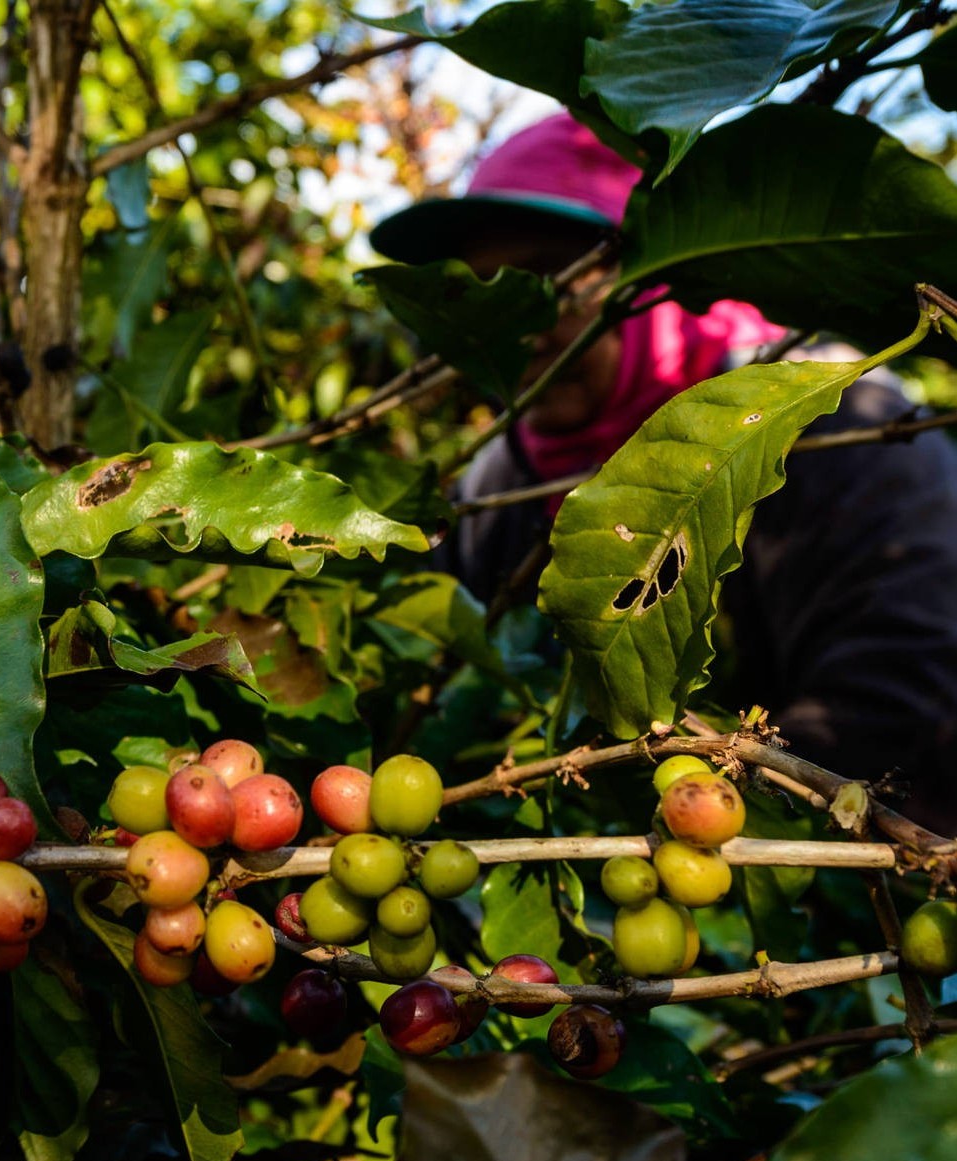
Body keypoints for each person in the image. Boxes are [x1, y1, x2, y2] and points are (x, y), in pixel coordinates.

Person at [370, 112, 957, 834]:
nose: (517, 324)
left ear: (650, 281)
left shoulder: (840, 432)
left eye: (549, 279)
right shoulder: (496, 485)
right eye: (482, 288)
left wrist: (694, 833)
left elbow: (902, 683)